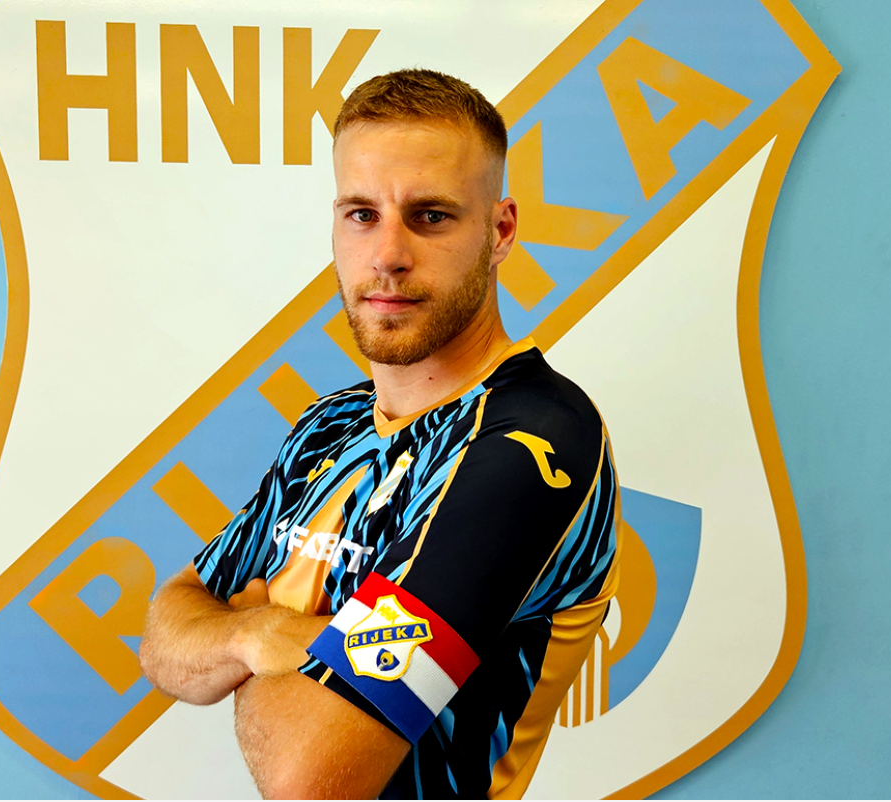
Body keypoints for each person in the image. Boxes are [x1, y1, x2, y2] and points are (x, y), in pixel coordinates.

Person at [138, 69, 620, 800]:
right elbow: (167, 633)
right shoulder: (328, 424)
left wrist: (252, 626)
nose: (387, 253)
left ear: (500, 231)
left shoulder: (533, 442)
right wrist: (252, 635)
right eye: (362, 214)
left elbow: (312, 781)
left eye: (430, 216)